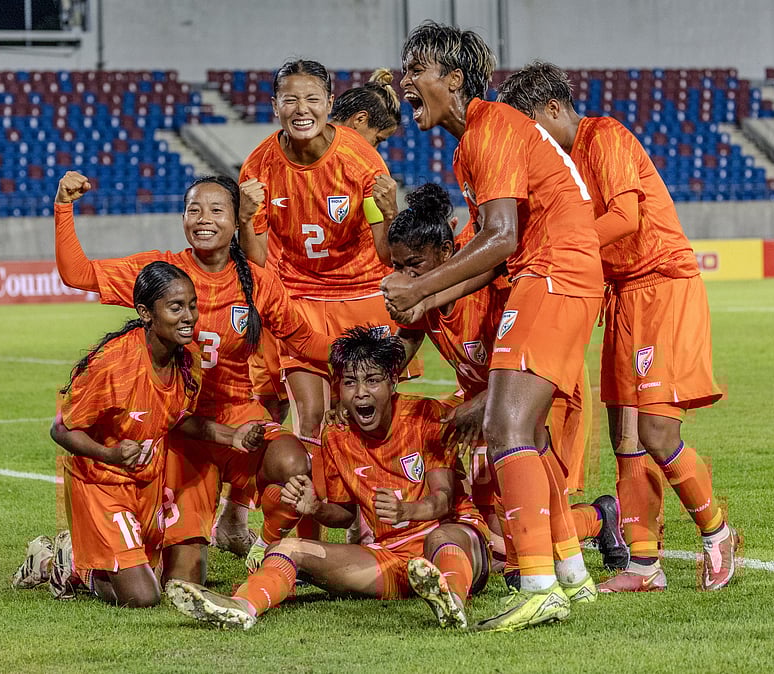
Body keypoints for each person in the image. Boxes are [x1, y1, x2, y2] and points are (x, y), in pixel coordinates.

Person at [381, 22, 604, 632]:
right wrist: (426, 300)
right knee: (525, 428)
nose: (404, 84)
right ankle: (569, 572)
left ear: (452, 79)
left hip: (553, 272)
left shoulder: (493, 128)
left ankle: (535, 585)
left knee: (504, 424)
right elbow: (498, 253)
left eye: (414, 71)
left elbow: (501, 238)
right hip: (551, 271)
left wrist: (421, 286)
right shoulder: (470, 144)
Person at [497, 61, 739, 592]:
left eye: (529, 127)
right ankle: (644, 566)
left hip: (662, 285)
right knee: (624, 433)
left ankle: (717, 532)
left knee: (655, 431)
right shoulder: (557, 164)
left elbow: (625, 218)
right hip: (622, 293)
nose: (525, 143)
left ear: (554, 110)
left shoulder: (602, 136)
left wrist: (555, 249)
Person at [50, 171, 324, 578]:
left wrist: (368, 357)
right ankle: (74, 558)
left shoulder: (258, 283)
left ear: (235, 221)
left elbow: (309, 341)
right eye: (193, 209)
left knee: (292, 461)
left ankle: (265, 545)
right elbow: (79, 274)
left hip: (238, 419)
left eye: (216, 210)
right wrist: (63, 207)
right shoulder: (164, 274)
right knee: (180, 581)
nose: (203, 219)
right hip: (181, 431)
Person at [165, 326, 491, 630]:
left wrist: (407, 512)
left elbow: (443, 499)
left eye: (372, 381)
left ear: (393, 382)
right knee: (288, 548)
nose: (360, 393)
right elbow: (345, 514)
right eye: (349, 383)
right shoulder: (336, 435)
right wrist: (315, 506)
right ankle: (241, 608)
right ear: (338, 388)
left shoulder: (424, 415)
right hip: (393, 558)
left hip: (457, 545)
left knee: (440, 539)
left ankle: (452, 603)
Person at [387, 183, 629, 580]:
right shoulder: (421, 303)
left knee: (534, 515)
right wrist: (363, 388)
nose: (405, 277)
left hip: (544, 393)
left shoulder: (496, 295)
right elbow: (399, 350)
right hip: (483, 405)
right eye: (397, 267)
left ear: (447, 255)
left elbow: (528, 366)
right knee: (500, 522)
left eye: (414, 265)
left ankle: (600, 518)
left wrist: (479, 405)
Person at [51, 261, 265, 607]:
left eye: (192, 305)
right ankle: (70, 566)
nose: (189, 316)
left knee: (169, 581)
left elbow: (177, 418)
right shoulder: (113, 364)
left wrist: (233, 437)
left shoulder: (188, 360)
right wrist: (109, 454)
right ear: (145, 313)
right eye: (176, 307)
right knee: (143, 597)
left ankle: (83, 565)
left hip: (147, 483)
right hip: (102, 485)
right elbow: (60, 429)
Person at [237, 59, 406, 463]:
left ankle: (365, 524)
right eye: (290, 99)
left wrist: (392, 212)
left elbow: (386, 253)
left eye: (312, 99)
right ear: (275, 105)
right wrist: (245, 218)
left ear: (329, 103)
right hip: (299, 299)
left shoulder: (361, 158)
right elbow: (257, 258)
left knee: (368, 415)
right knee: (310, 418)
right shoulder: (258, 165)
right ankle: (308, 524)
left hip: (362, 295)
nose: (301, 109)